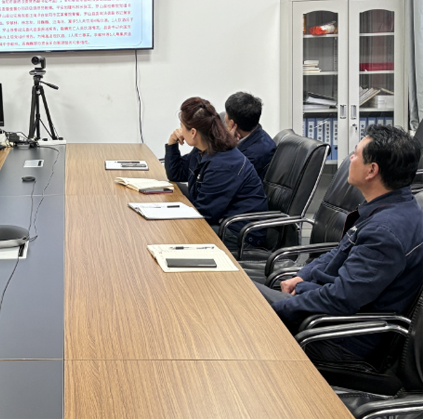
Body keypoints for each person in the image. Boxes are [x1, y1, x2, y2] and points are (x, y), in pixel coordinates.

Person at [256, 125, 423, 363]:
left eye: (355, 154)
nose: (350, 159)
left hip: (340, 337)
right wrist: (302, 276)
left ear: (372, 170)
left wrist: (275, 310)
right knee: (237, 293)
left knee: (242, 306)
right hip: (326, 314)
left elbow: (341, 299)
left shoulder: (385, 232)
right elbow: (339, 251)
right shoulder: (389, 207)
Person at [165, 97, 269, 253]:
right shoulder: (204, 148)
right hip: (220, 222)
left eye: (181, 127)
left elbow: (204, 215)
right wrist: (172, 143)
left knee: (173, 234)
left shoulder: (223, 163)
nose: (179, 131)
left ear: (193, 132)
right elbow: (177, 173)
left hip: (240, 235)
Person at [224, 92, 276, 180]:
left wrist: (226, 146)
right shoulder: (258, 135)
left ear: (232, 123)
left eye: (226, 114)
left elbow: (222, 177)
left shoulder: (251, 156)